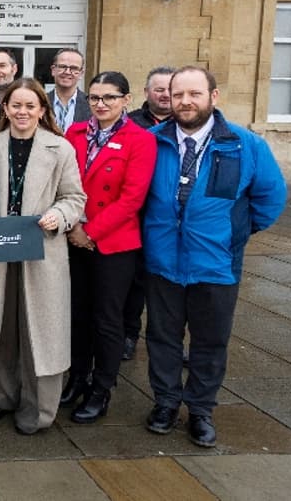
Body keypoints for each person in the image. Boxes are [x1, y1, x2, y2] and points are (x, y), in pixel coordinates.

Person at [141, 66, 286, 448]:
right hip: (162, 262)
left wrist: (235, 235)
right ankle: (166, 403)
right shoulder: (150, 141)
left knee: (210, 341)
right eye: (177, 95)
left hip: (216, 265)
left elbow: (270, 198)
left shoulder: (244, 144)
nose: (185, 102)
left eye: (194, 94)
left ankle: (201, 410)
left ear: (213, 97)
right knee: (162, 338)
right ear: (167, 99)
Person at [0, 78, 85, 436]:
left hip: (42, 252)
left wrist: (60, 216)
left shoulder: (61, 149)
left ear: (42, 110)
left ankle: (38, 410)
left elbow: (74, 198)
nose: (22, 112)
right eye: (15, 106)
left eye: (30, 106)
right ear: (5, 109)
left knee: (42, 332)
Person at [61, 71, 157, 424]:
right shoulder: (73, 134)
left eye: (109, 98)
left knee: (107, 320)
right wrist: (73, 226)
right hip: (73, 237)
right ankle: (76, 378)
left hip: (113, 244)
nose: (100, 104)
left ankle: (101, 390)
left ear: (126, 101)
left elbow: (132, 198)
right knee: (77, 315)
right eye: (95, 98)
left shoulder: (140, 140)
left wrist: (91, 232)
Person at [123, 65, 175, 360]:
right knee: (133, 283)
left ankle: (169, 343)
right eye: (159, 89)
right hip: (136, 217)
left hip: (169, 220)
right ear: (146, 93)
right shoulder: (131, 124)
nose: (165, 95)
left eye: (171, 89)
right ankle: (129, 334)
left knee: (168, 288)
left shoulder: (188, 124)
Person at [47, 48, 91, 133]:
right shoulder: (40, 102)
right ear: (53, 70)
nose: (67, 72)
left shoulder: (91, 104)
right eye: (63, 67)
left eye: (74, 68)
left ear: (81, 74)